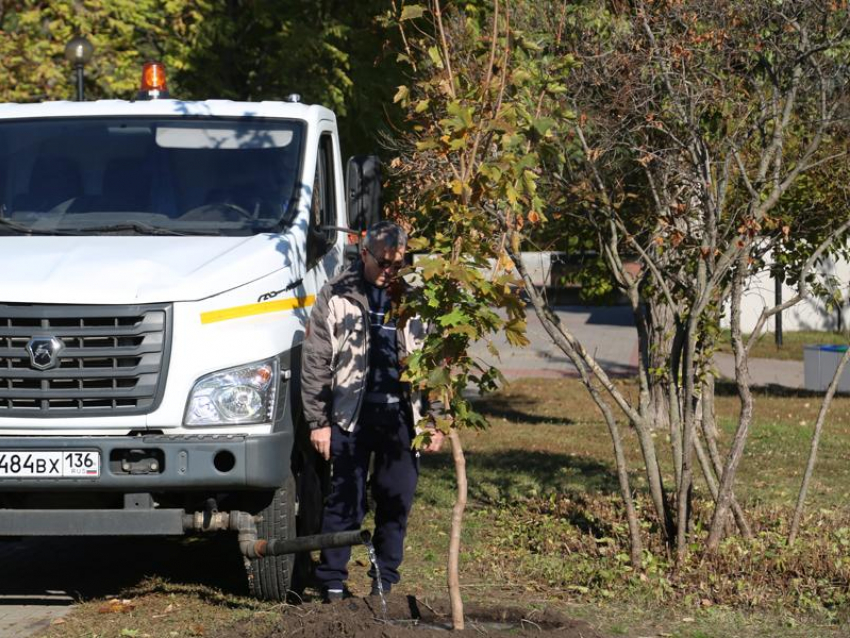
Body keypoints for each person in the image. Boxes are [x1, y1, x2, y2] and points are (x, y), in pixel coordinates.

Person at [301, 220, 444, 602]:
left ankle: (385, 587)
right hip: (351, 417)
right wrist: (319, 423)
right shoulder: (336, 296)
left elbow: (433, 366)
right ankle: (331, 584)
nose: (389, 271)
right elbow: (316, 361)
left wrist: (435, 419)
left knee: (396, 500)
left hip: (402, 418)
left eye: (397, 264)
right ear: (363, 253)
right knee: (346, 501)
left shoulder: (415, 300)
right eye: (383, 262)